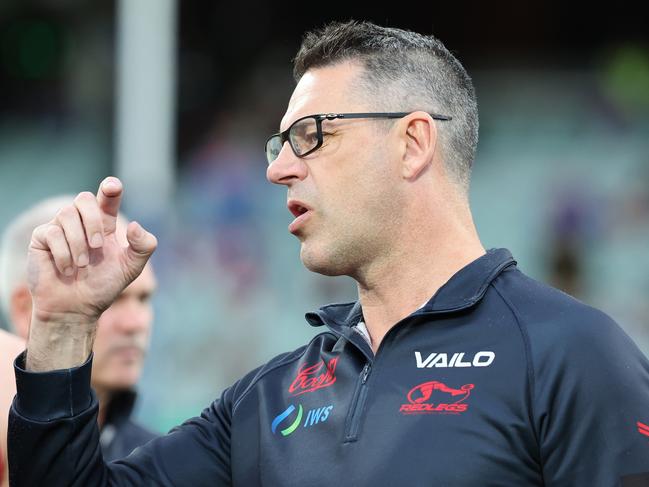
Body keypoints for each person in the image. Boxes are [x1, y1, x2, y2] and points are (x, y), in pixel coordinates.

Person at [7, 20, 649, 486]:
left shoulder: (572, 355)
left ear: (412, 143)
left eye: (310, 135)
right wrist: (62, 330)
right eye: (277, 144)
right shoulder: (265, 398)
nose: (280, 169)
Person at [0, 196, 158, 483]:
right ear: (25, 309)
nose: (136, 323)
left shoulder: (161, 461)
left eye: (144, 298)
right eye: (112, 299)